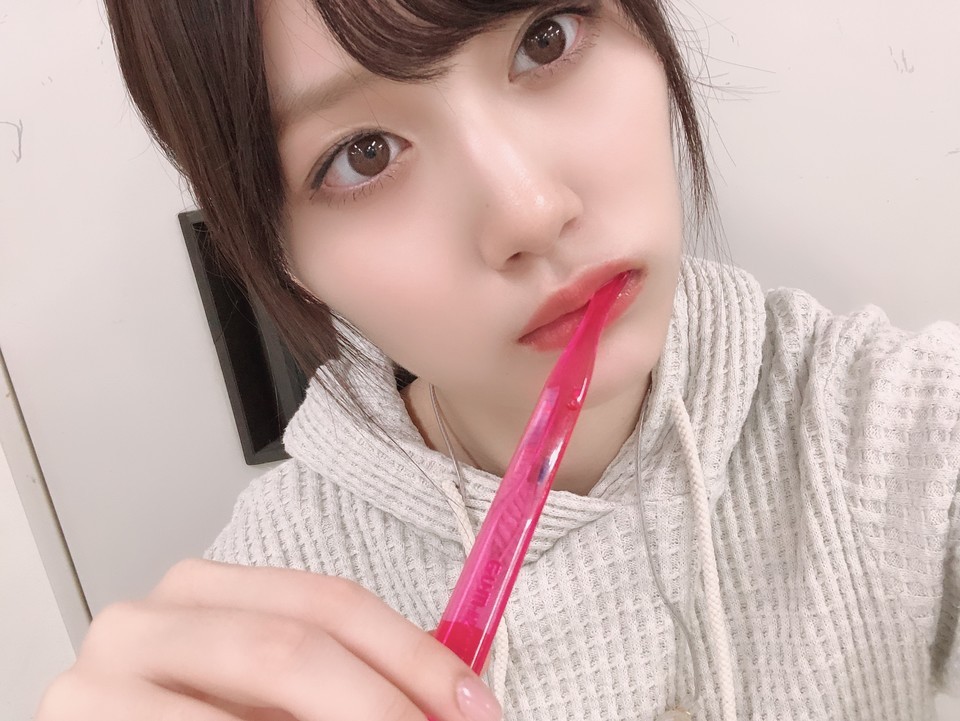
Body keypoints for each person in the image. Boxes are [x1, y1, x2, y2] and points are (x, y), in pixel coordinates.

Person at [37, 1, 960, 719]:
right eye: (364, 154)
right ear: (282, 259)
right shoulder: (265, 614)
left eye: (546, 38)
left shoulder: (889, 427)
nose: (530, 210)